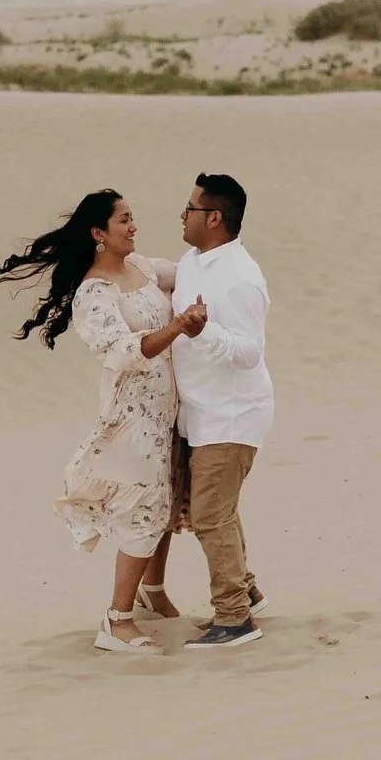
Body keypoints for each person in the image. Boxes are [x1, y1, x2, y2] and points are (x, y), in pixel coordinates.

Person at [0, 190, 206, 654]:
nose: (133, 226)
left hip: (169, 408)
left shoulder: (142, 267)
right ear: (98, 233)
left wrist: (223, 256)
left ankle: (153, 592)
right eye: (124, 220)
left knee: (166, 503)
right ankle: (116, 620)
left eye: (132, 218)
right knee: (143, 510)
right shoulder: (94, 292)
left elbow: (188, 271)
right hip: (133, 416)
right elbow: (123, 351)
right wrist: (176, 328)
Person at [171, 172, 274, 649]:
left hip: (232, 416)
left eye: (190, 208)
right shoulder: (192, 261)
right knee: (219, 511)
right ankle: (247, 595)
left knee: (210, 516)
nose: (182, 215)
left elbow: (249, 351)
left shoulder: (241, 279)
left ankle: (234, 620)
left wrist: (202, 332)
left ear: (214, 218)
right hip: (201, 412)